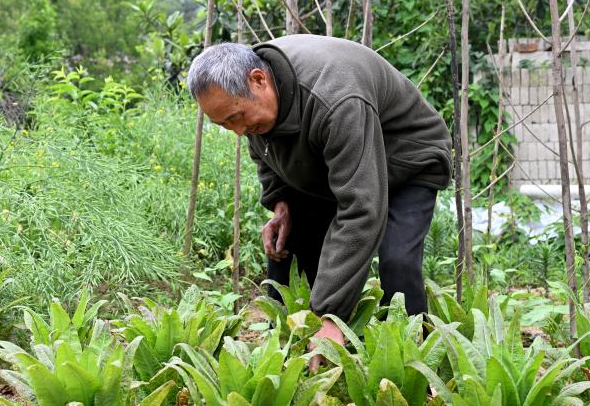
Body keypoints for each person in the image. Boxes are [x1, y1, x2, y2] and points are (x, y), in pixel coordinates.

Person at [186, 35, 452, 360]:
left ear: (258, 80)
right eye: (224, 124)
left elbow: (360, 209)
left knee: (397, 261)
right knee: (287, 246)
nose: (238, 131)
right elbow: (267, 149)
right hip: (337, 164)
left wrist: (331, 314)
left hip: (408, 158)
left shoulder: (335, 98)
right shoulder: (256, 97)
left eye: (236, 117)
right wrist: (281, 202)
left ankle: (415, 362)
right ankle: (288, 353)